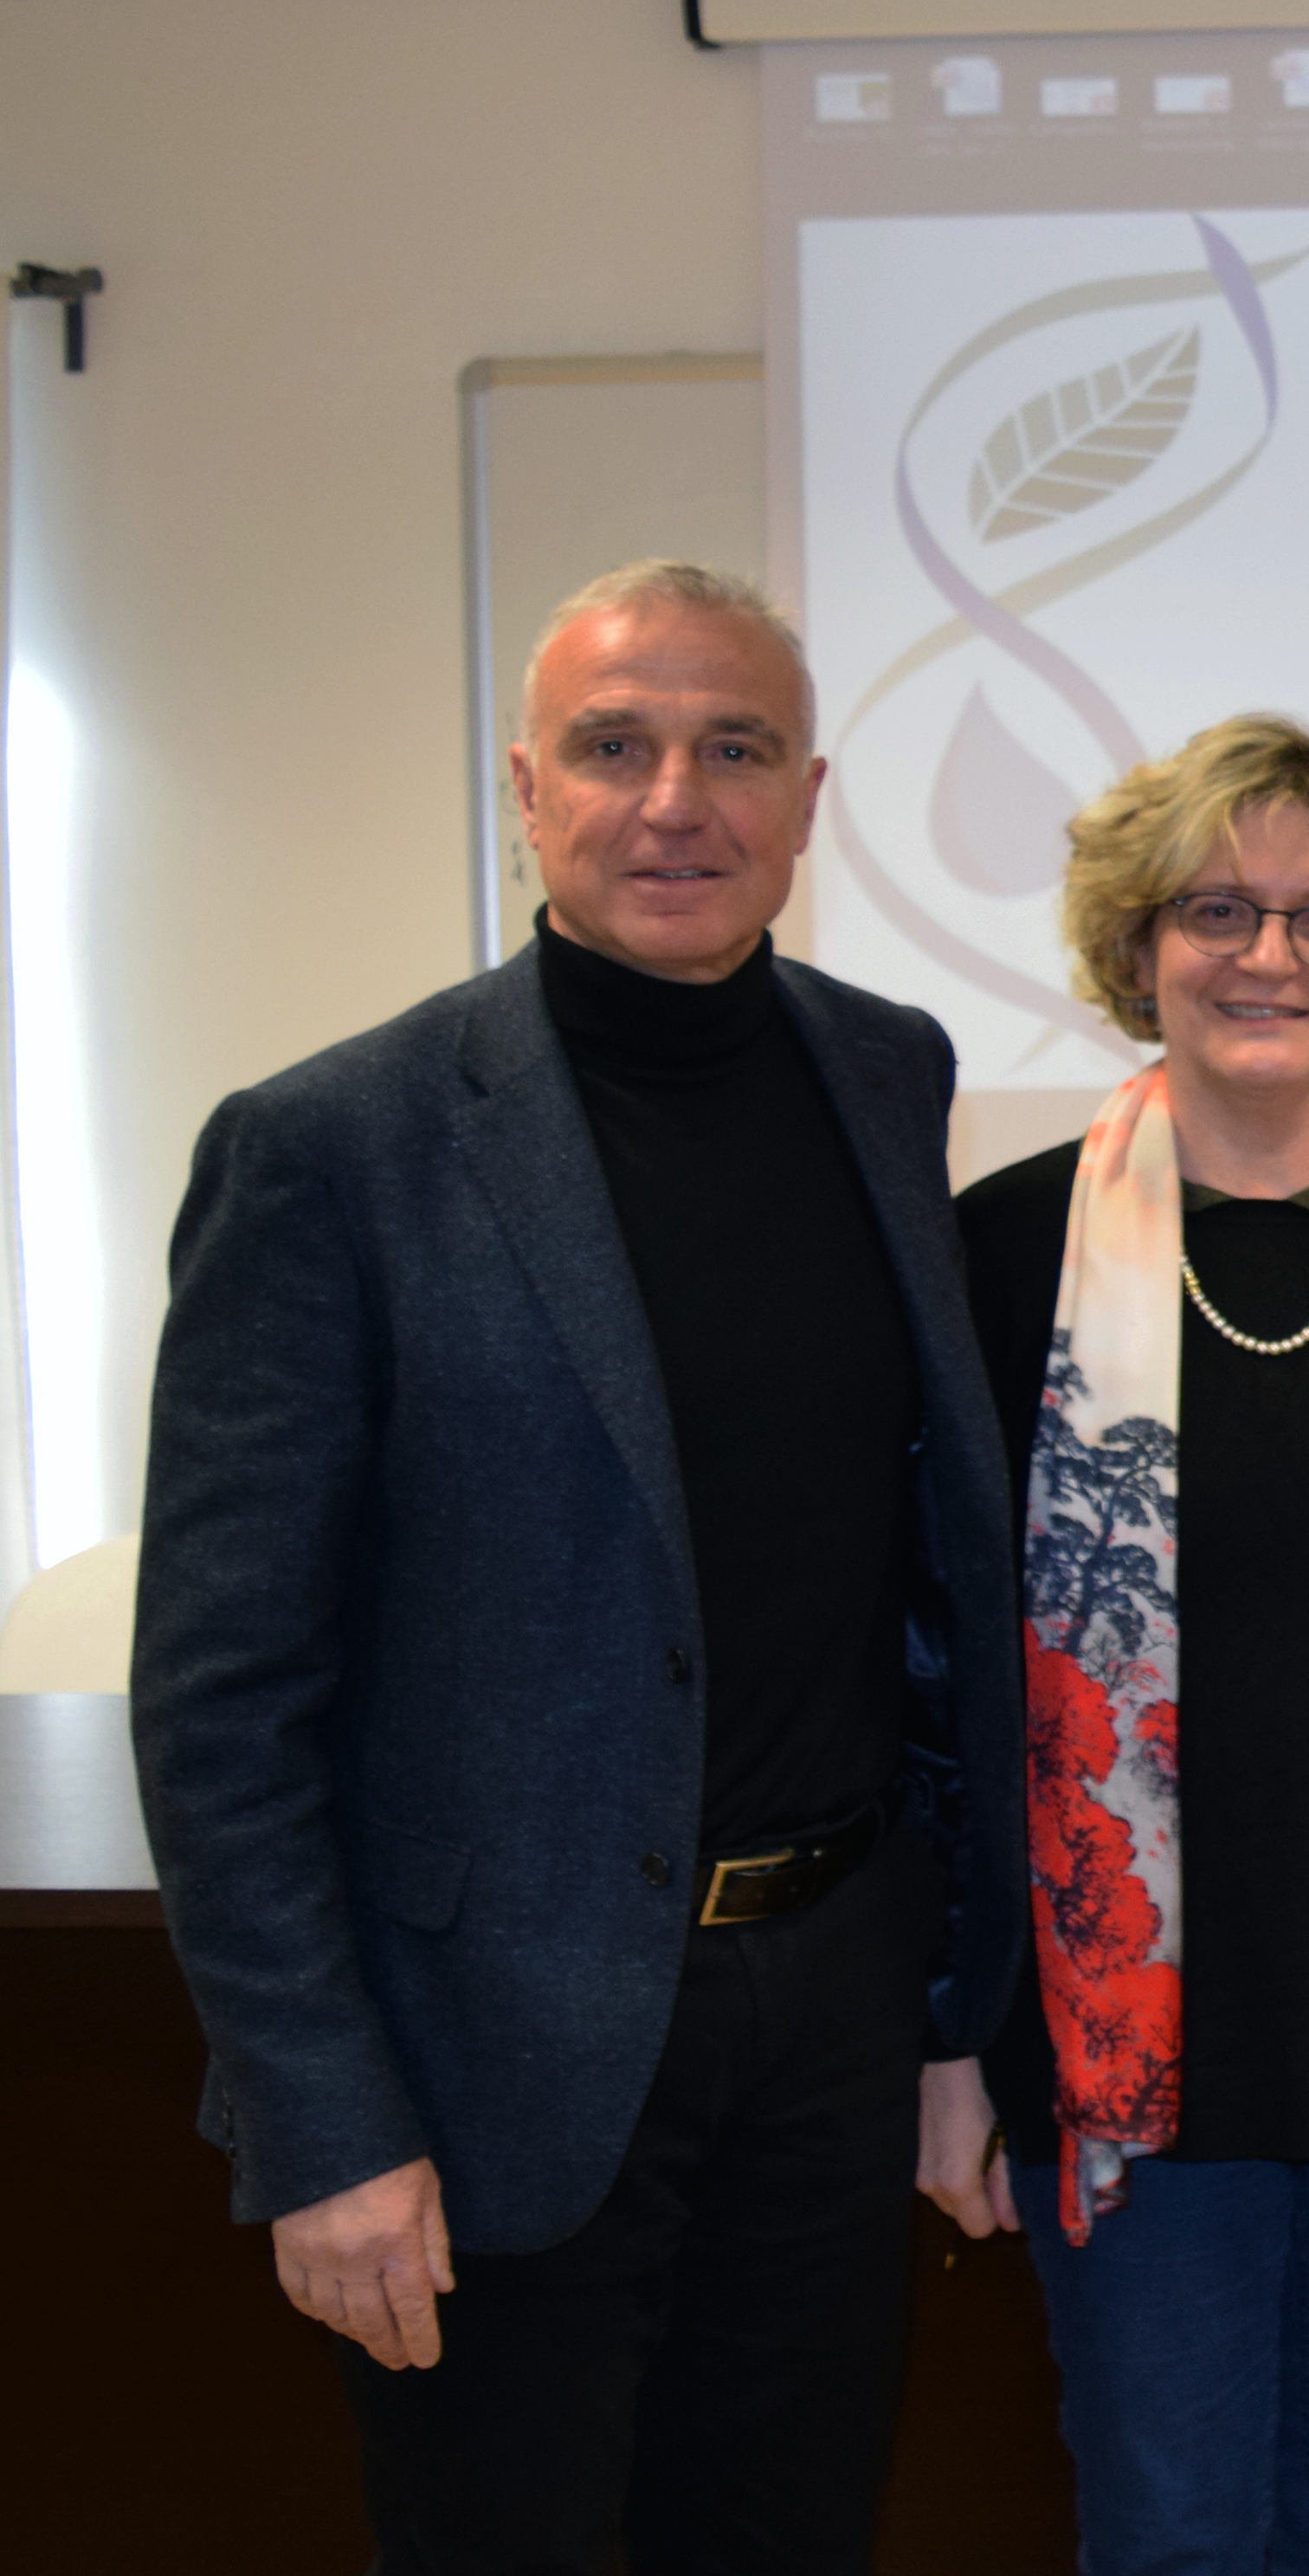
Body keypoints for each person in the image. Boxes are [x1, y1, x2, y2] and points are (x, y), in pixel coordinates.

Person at [129, 560, 1024, 2572]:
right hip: (487, 2059)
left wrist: (950, 1993)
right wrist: (325, 2120)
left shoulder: (887, 1074)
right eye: (615, 749)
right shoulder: (333, 1145)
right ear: (527, 790)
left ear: (812, 795)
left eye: (735, 749)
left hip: (828, 2015)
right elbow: (220, 1696)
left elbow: (912, 1567)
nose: (674, 801)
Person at [932, 716, 1309, 2573]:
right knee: (1172, 2528)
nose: (1268, 957)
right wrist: (947, 2033)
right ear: (1139, 941)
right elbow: (947, 1666)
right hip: (1125, 2041)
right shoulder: (1000, 1248)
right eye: (1219, 908)